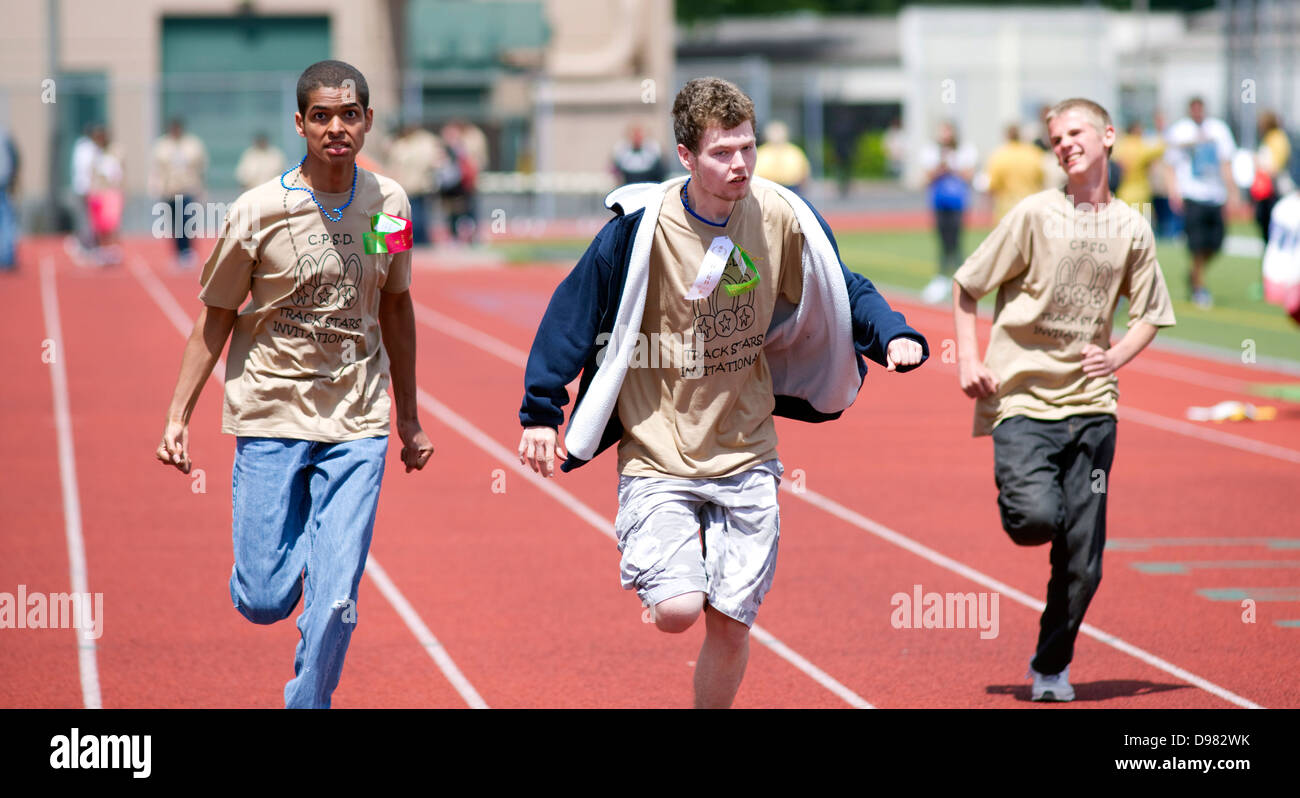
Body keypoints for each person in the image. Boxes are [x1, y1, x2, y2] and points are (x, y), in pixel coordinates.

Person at [517, 77, 928, 709]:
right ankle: (671, 570)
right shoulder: (637, 232)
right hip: (658, 454)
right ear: (686, 156)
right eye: (721, 152)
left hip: (748, 452)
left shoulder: (779, 215)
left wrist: (892, 333)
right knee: (679, 610)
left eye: (747, 147)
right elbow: (572, 314)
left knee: (732, 626)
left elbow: (844, 285)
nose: (739, 165)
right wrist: (542, 411)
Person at [154, 60, 435, 709]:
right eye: (322, 116)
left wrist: (409, 419)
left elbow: (396, 303)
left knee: (337, 600)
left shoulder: (388, 203)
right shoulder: (258, 212)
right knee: (262, 598)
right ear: (301, 123)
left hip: (357, 417)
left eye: (350, 114)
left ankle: (308, 701)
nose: (336, 128)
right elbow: (218, 312)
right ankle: (310, 550)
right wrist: (177, 416)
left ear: (366, 121)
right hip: (271, 410)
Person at [952, 98, 1176, 702]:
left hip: (1093, 406)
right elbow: (967, 286)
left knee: (1085, 560)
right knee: (1035, 521)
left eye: (1075, 132)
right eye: (1056, 137)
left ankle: (1050, 667)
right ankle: (1034, 502)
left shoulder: (1132, 226)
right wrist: (970, 360)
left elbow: (1150, 315)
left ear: (1107, 136)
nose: (1065, 144)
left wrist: (1116, 357)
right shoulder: (1034, 215)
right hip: (1021, 399)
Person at [1164, 97, 1238, 308]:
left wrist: (1233, 192)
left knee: (1216, 243)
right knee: (1196, 244)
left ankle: (1195, 273)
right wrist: (1173, 192)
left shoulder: (1218, 130)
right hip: (1192, 194)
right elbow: (1170, 163)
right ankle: (1199, 287)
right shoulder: (1181, 131)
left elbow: (1226, 162)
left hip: (1215, 194)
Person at [919, 120, 977, 304]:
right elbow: (926, 177)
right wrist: (941, 167)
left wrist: (953, 166)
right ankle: (942, 278)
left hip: (957, 202)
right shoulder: (932, 151)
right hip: (939, 202)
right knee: (942, 240)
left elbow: (969, 175)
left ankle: (963, 280)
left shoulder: (964, 150)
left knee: (956, 241)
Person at [149, 117, 208, 269]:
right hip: (169, 191)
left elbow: (201, 167)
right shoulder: (162, 145)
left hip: (187, 188)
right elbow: (157, 170)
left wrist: (201, 188)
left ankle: (187, 251)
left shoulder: (193, 144)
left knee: (187, 220)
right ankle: (178, 252)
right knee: (174, 222)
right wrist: (155, 187)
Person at [387, 121, 444, 245]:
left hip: (407, 186)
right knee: (420, 215)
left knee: (409, 216)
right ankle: (421, 241)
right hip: (421, 186)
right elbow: (436, 163)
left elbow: (394, 167)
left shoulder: (403, 146)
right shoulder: (427, 144)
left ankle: (413, 242)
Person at [985, 123, 1044, 223]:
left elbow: (992, 186)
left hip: (1007, 210)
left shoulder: (998, 156)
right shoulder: (1034, 153)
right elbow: (1041, 180)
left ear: (1006, 136)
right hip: (1030, 207)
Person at [1250, 110, 1292, 246]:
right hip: (1267, 193)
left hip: (1274, 192)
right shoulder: (1269, 138)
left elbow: (1275, 167)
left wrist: (1258, 163)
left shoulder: (1277, 139)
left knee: (1272, 231)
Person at [85, 126, 124, 266]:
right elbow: (91, 173)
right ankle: (103, 250)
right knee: (99, 225)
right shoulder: (94, 153)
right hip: (97, 193)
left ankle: (113, 249)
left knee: (112, 223)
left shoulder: (116, 152)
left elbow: (121, 173)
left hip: (111, 192)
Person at [1113, 120, 1164, 212]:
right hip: (1141, 194)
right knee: (1142, 224)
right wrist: (1159, 130)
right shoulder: (1141, 147)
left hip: (1123, 194)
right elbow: (1161, 147)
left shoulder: (1119, 146)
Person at [754, 120, 811, 193]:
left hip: (789, 188)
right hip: (769, 188)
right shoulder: (795, 152)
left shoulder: (761, 152)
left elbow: (804, 175)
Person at [0, 123, 18, 271]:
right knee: (6, 219)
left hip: (3, 181)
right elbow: (15, 157)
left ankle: (7, 256)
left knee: (6, 218)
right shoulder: (4, 133)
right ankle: (7, 257)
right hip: (3, 180)